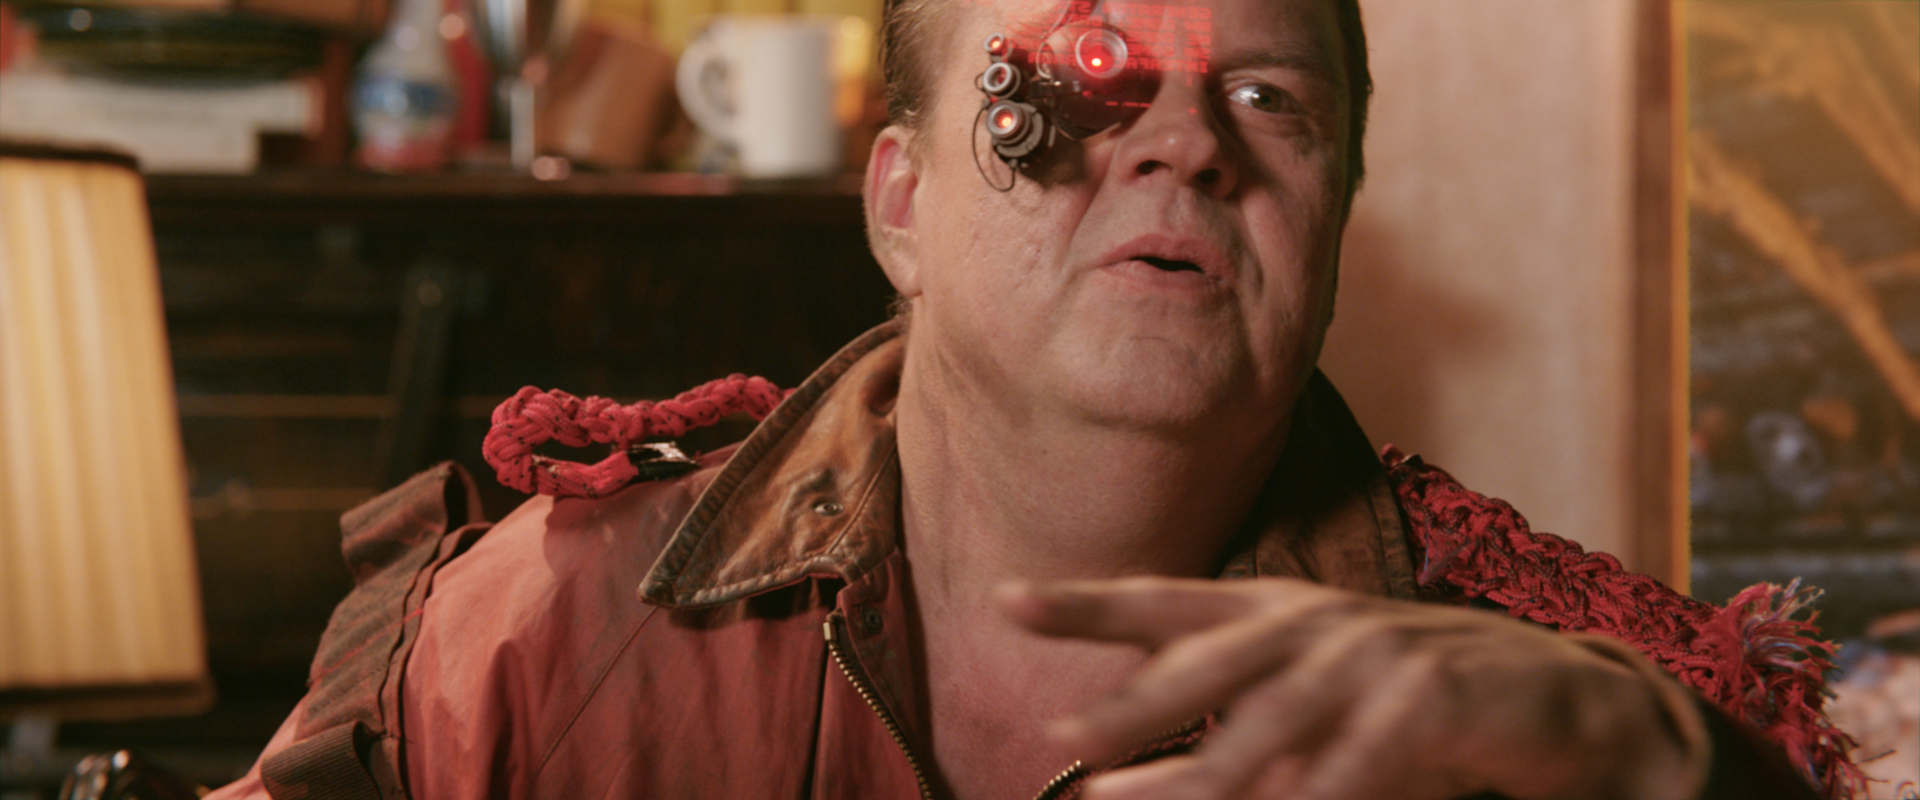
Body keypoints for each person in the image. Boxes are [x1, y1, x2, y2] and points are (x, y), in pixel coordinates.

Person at [207, 0, 1863, 798]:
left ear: (1335, 216)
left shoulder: (1544, 726)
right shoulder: (543, 631)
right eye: (1088, 78)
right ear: (902, 205)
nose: (1188, 143)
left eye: (1267, 101)